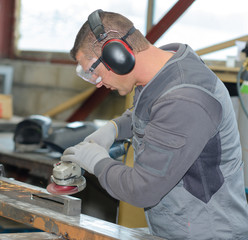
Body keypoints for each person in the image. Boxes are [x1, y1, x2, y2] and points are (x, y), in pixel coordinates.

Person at [62, 9, 248, 239]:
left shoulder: (185, 99)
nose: (97, 83)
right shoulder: (162, 70)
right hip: (179, 227)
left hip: (207, 233)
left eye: (94, 71)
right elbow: (152, 112)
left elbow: (142, 189)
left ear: (117, 55)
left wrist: (97, 161)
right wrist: (114, 129)